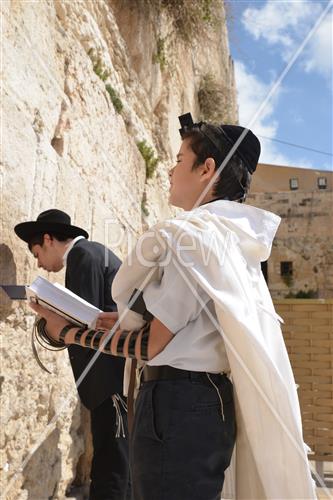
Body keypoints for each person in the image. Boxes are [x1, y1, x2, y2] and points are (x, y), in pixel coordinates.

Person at [29, 115, 315, 500]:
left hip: (176, 406)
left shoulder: (191, 238)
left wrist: (65, 331)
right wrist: (129, 323)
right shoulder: (228, 243)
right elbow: (188, 328)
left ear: (206, 169)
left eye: (180, 159)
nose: (169, 169)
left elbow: (152, 347)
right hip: (202, 406)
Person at [15, 209, 130, 500]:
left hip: (111, 384)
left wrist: (50, 320)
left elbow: (86, 326)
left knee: (112, 469)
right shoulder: (90, 254)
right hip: (113, 383)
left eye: (37, 252)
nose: (39, 262)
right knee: (115, 464)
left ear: (48, 239)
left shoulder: (82, 256)